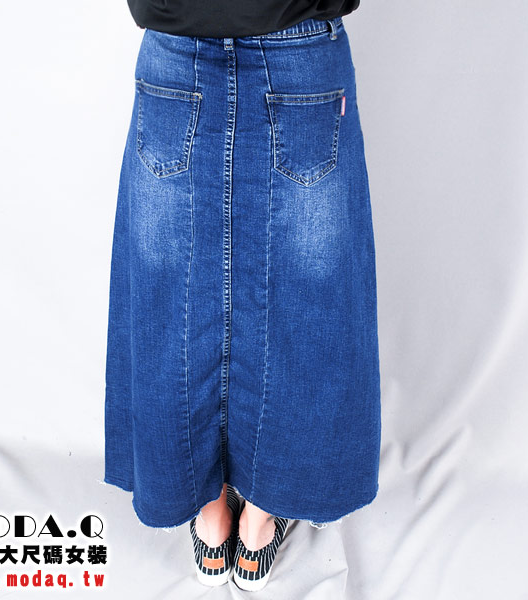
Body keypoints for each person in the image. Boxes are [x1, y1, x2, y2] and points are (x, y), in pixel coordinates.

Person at [104, 0, 381, 592]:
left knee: (171, 296)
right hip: (299, 44)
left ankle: (209, 521)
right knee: (307, 295)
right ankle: (258, 524)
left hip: (177, 41)